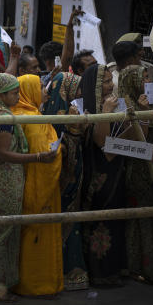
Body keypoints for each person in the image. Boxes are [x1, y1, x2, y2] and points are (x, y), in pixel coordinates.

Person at [0, 73, 56, 301]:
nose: (18, 96)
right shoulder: (4, 118)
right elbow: (3, 153)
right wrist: (38, 157)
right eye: (13, 92)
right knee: (2, 232)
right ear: (0, 95)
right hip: (4, 181)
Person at [10, 74, 64, 297]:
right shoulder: (34, 121)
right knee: (39, 232)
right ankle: (38, 284)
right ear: (29, 90)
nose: (46, 91)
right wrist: (61, 151)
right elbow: (48, 156)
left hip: (22, 185)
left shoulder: (17, 114)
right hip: (40, 186)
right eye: (41, 86)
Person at [116, 65, 153, 284]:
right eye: (143, 77)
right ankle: (139, 267)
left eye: (149, 76)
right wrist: (141, 111)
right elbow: (138, 138)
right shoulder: (123, 104)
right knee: (140, 216)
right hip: (138, 166)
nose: (148, 80)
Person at [80, 64, 127, 287]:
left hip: (115, 174)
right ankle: (99, 273)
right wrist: (107, 113)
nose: (110, 86)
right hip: (99, 176)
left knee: (114, 223)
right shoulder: (88, 109)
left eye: (111, 80)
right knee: (100, 224)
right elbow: (106, 147)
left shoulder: (112, 105)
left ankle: (113, 271)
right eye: (106, 82)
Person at [43, 71, 89, 290]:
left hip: (74, 170)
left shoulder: (73, 106)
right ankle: (62, 270)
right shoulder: (57, 111)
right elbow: (59, 141)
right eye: (77, 88)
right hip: (63, 173)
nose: (80, 92)